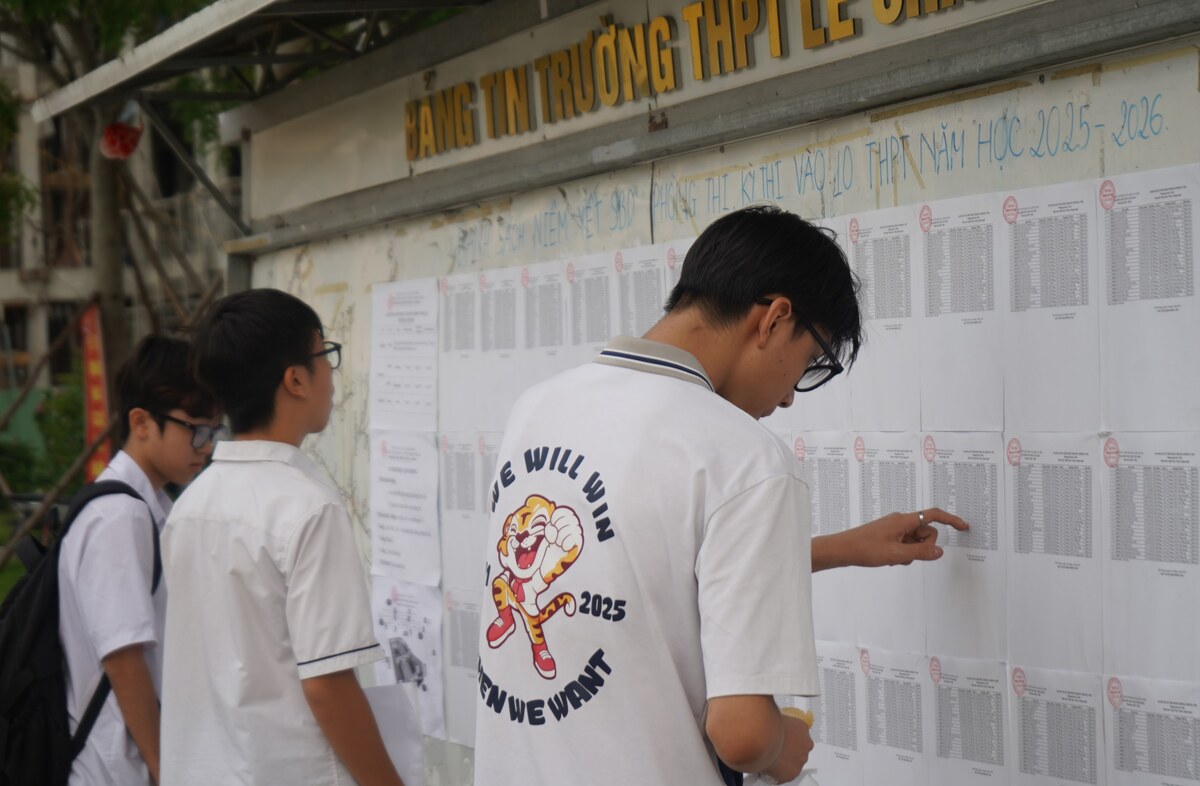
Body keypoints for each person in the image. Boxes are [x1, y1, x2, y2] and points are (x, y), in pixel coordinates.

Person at [473, 205, 967, 785]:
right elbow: (743, 735)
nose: (789, 397)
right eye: (809, 362)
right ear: (775, 319)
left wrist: (834, 549)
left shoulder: (538, 406)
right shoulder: (747, 456)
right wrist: (781, 747)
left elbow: (638, 572)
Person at [159, 289, 404, 786]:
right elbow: (328, 686)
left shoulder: (189, 507)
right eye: (325, 354)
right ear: (295, 379)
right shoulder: (308, 509)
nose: (331, 373)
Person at [58, 334, 224, 785]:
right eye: (196, 430)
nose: (207, 447)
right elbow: (124, 659)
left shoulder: (141, 506)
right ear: (142, 422)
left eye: (214, 431)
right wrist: (166, 769)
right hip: (112, 769)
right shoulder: (120, 516)